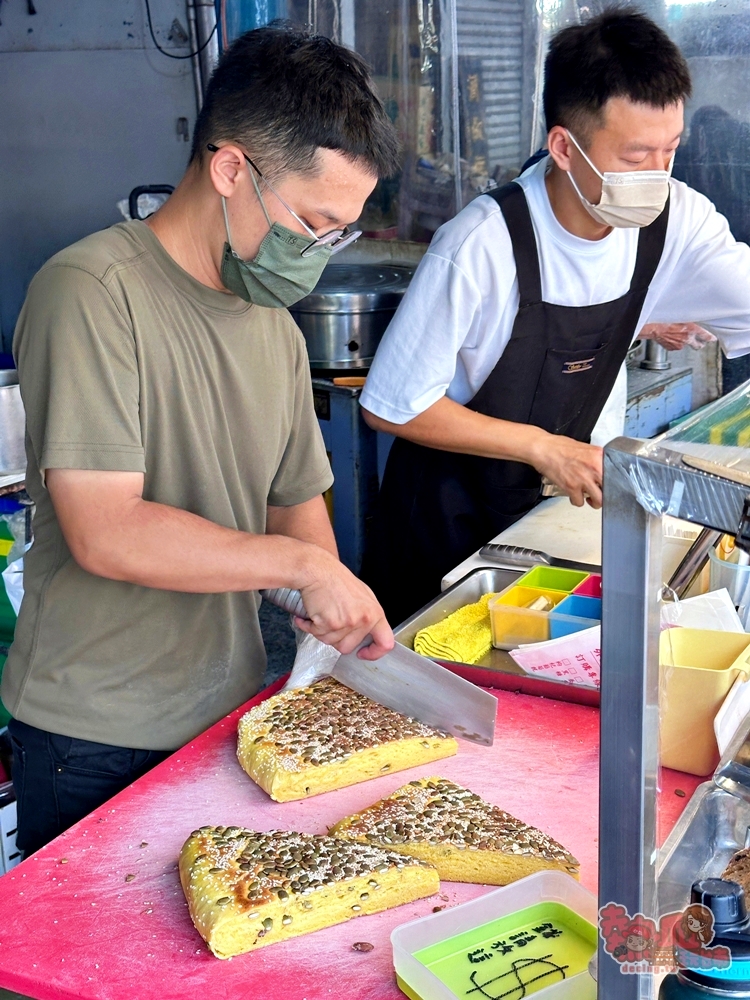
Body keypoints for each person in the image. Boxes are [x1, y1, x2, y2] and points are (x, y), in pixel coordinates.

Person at [2, 24, 400, 855]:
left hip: (227, 717)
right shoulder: (90, 291)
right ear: (230, 170)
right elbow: (104, 529)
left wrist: (330, 604)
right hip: (94, 738)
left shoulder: (273, 327)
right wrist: (301, 569)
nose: (318, 253)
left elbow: (296, 508)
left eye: (339, 233)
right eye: (314, 223)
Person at [360, 9, 750, 626]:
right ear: (565, 147)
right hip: (443, 523)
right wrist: (544, 448)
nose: (658, 176)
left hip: (546, 526)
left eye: (670, 151)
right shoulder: (481, 246)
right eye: (634, 155)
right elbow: (391, 405)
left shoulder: (677, 224)